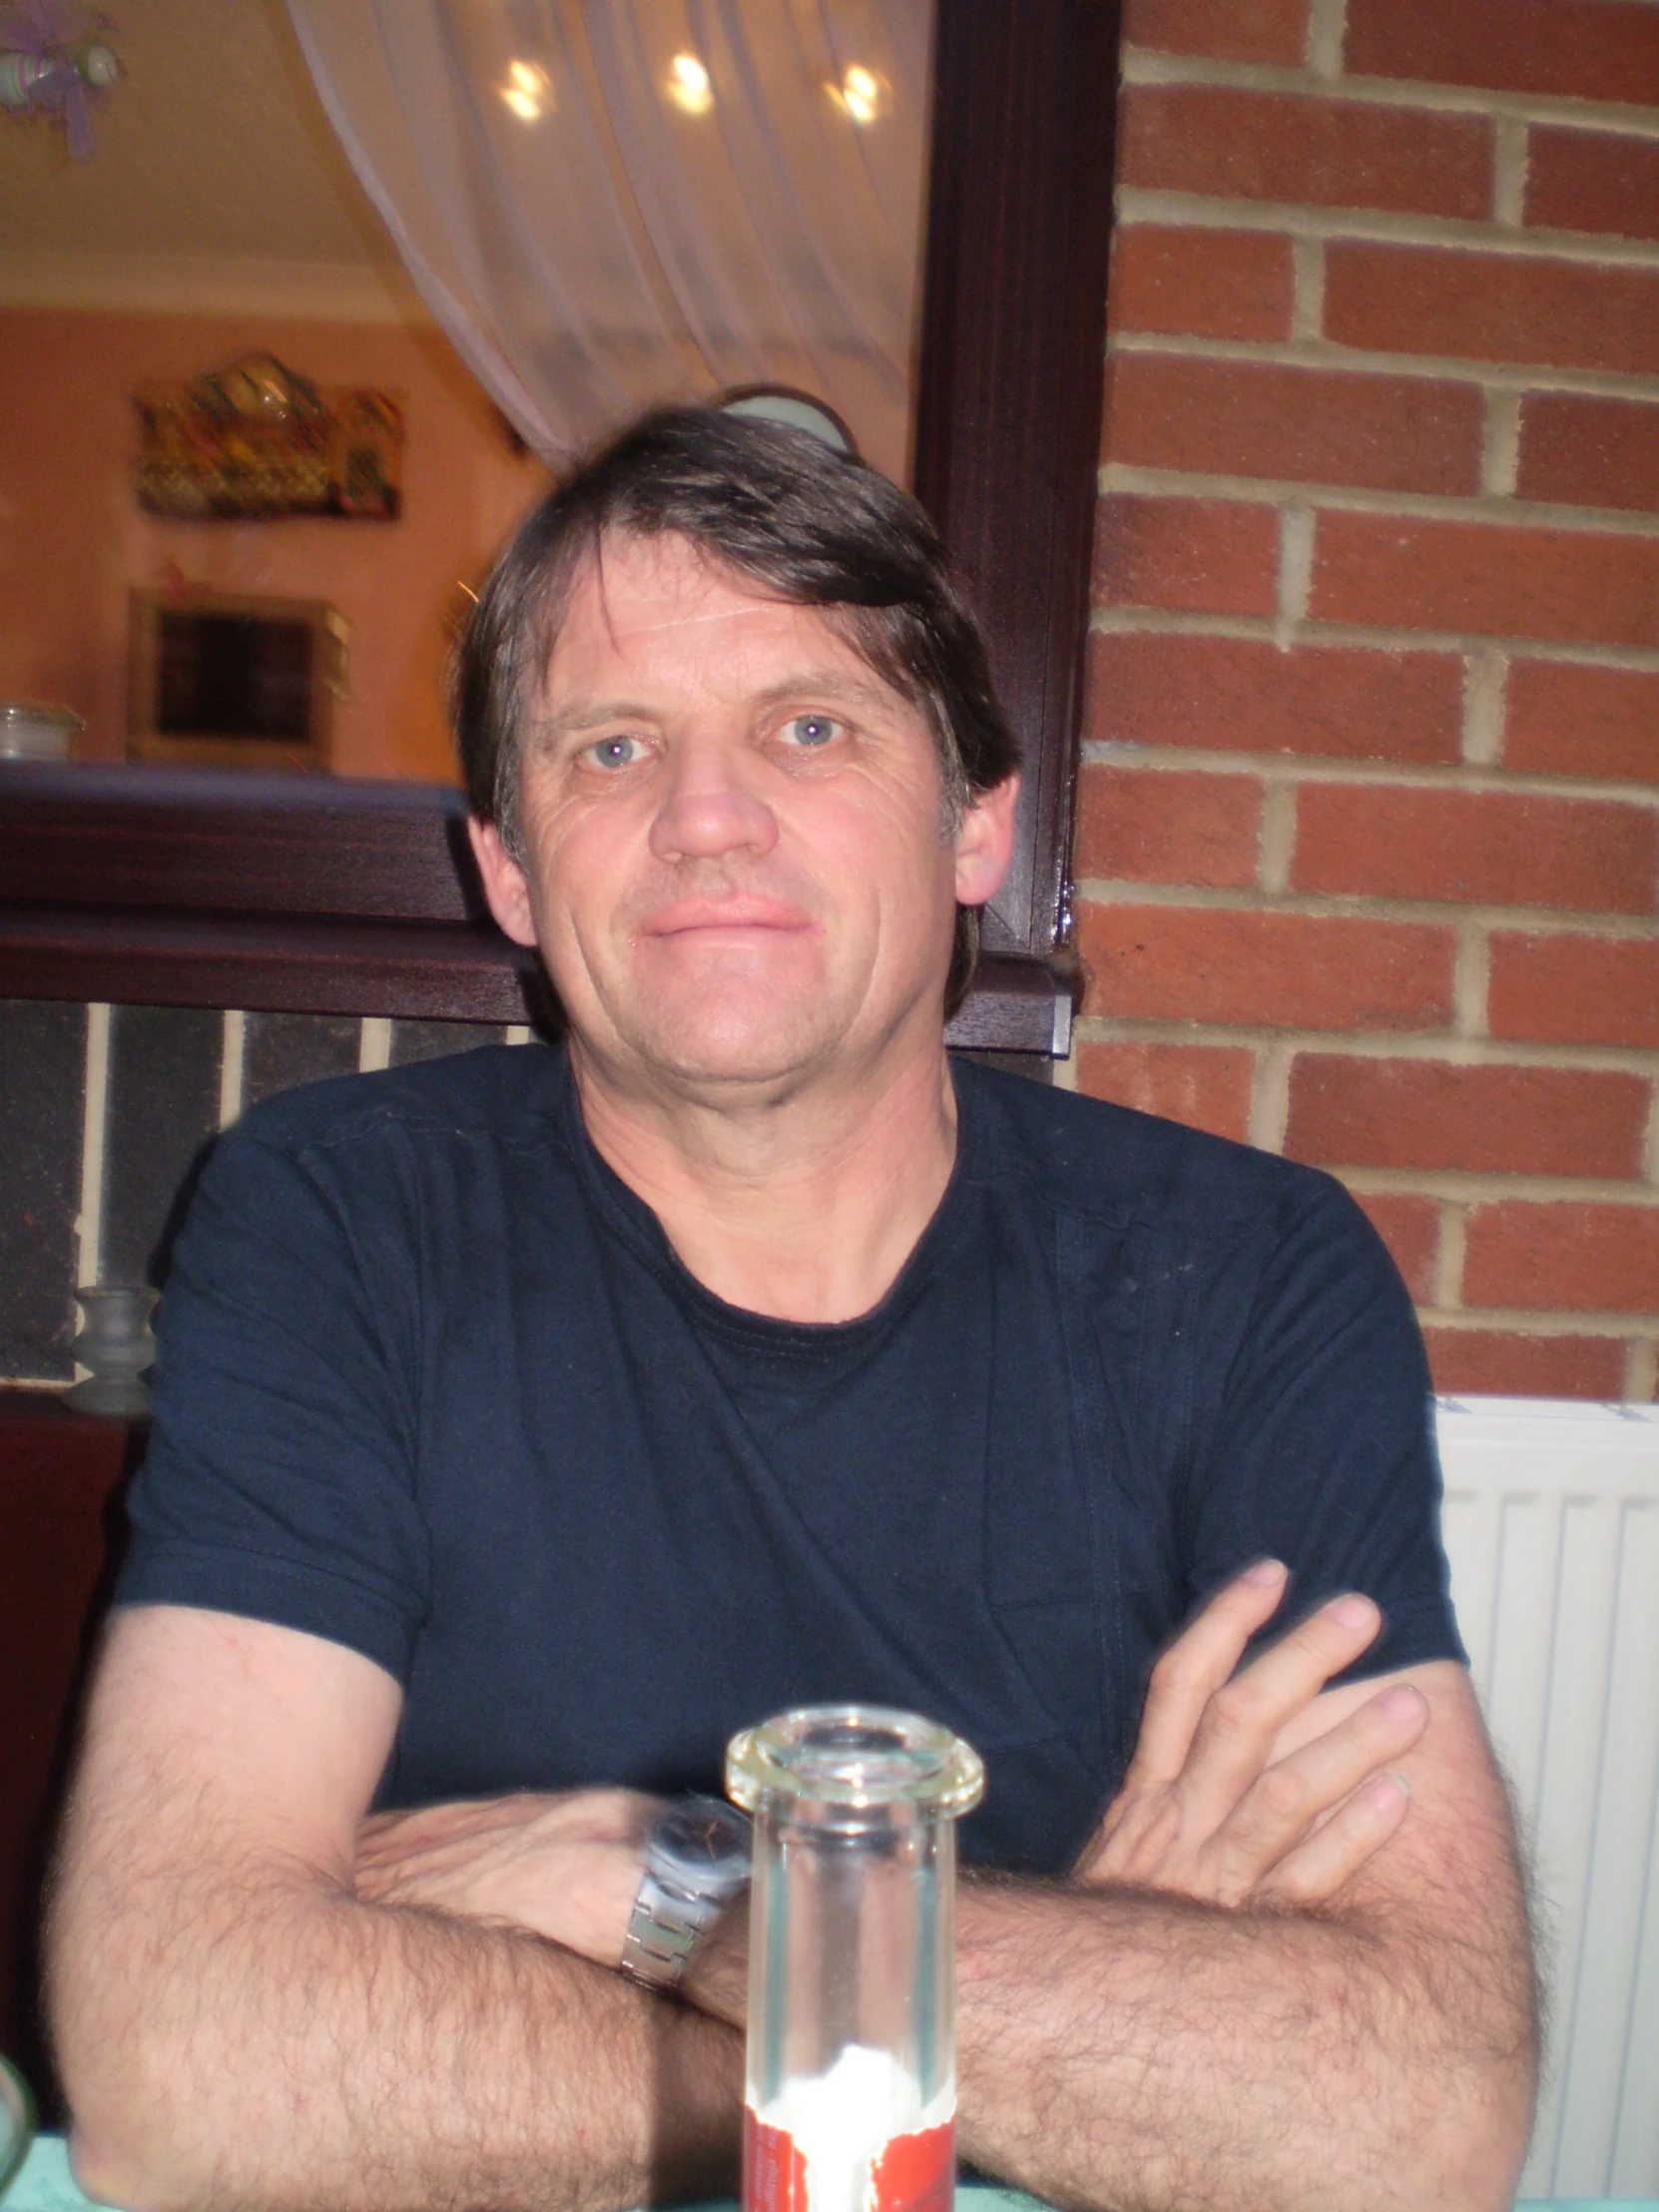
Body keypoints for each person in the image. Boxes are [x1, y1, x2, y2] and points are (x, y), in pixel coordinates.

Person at [48, 409, 1535, 2212]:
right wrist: (1057, 1997)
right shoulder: (334, 1224)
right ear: (509, 870)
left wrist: (670, 1891)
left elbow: (1412, 2116)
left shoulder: (1244, 1279)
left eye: (807, 726)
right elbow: (178, 2072)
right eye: (611, 748)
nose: (703, 820)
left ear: (976, 822)